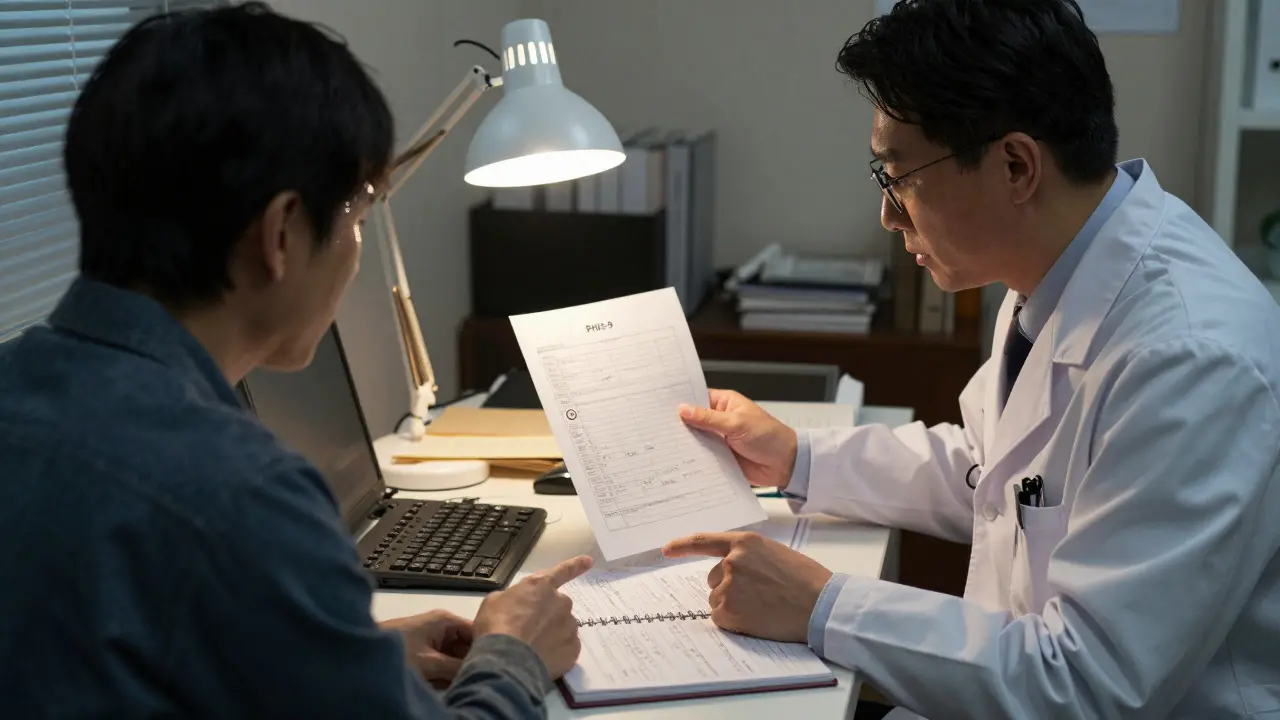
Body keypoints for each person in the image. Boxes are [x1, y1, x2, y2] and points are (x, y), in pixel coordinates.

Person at [663, 1, 1280, 718]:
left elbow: (1088, 684)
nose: (889, 216)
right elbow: (997, 471)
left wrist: (823, 605)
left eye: (899, 176)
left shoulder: (1188, 359)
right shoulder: (1058, 266)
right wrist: (796, 458)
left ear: (1015, 165)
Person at [0, 4, 591, 717]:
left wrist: (343, 648)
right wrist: (513, 656)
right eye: (358, 217)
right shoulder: (240, 493)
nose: (355, 247)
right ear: (281, 232)